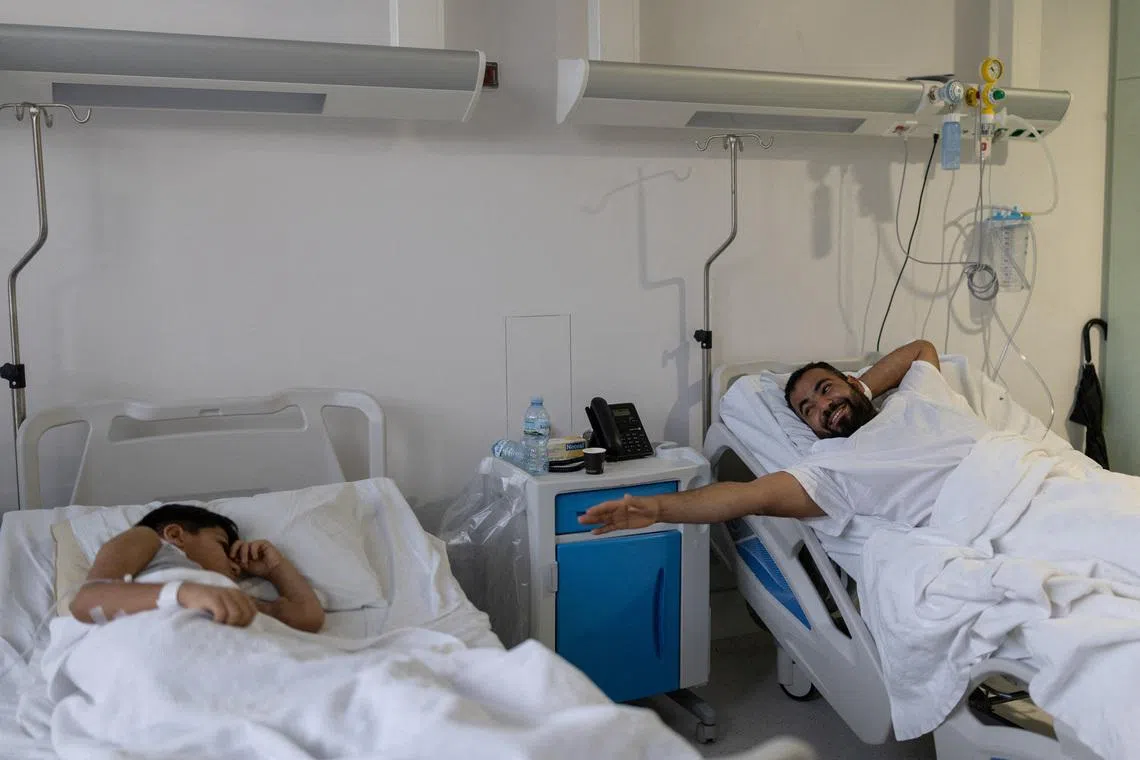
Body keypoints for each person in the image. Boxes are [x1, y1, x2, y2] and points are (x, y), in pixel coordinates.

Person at [579, 339, 1001, 537]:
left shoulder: (917, 396)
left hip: (1024, 474)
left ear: (851, 382)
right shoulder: (834, 464)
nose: (821, 406)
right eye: (808, 410)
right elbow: (748, 496)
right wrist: (657, 508)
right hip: (989, 514)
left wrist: (861, 390)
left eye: (825, 389)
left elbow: (921, 349)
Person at [70, 504, 325, 633]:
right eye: (223, 547)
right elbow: (87, 600)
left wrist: (275, 568)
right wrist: (184, 593)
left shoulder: (229, 598)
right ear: (175, 534)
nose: (236, 567)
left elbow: (307, 618)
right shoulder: (147, 540)